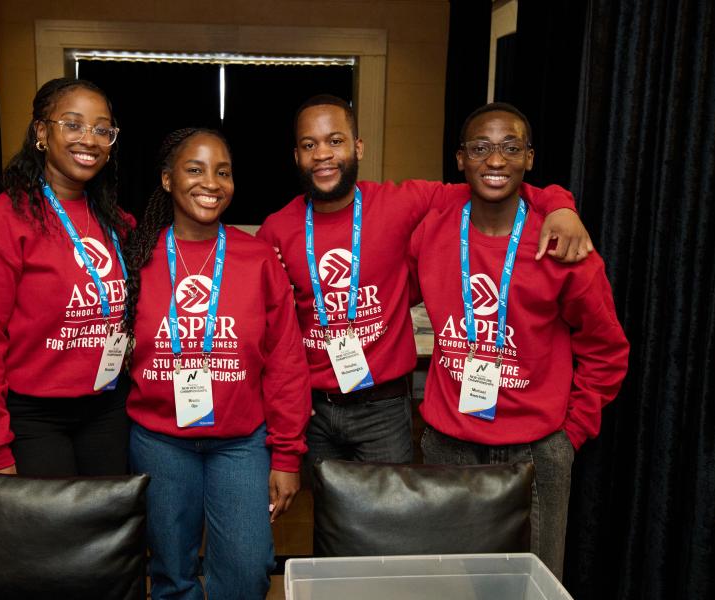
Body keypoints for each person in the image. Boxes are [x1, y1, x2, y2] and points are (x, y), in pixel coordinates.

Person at [255, 94, 595, 467]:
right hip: (315, 409)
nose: (322, 154)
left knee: (393, 521)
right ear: (296, 156)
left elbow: (491, 180)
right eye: (309, 145)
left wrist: (559, 204)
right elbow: (270, 332)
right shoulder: (275, 230)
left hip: (382, 408)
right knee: (330, 522)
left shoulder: (400, 203)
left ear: (358, 147)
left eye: (335, 141)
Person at [409, 102, 629, 579]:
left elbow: (606, 349)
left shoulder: (562, 245)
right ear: (460, 159)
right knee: (450, 583)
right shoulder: (433, 230)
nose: (495, 160)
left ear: (529, 159)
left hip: (536, 451)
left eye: (511, 148)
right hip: (449, 446)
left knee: (531, 584)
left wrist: (569, 435)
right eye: (481, 148)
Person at [124, 128, 310, 600]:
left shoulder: (258, 258)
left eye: (223, 172)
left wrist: (286, 453)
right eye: (195, 169)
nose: (211, 182)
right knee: (170, 574)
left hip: (240, 445)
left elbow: (286, 362)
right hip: (160, 442)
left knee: (248, 572)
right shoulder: (137, 255)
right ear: (167, 180)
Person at [0, 77, 133, 476]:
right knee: (51, 537)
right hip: (33, 419)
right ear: (42, 132)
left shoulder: (117, 222)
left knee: (107, 535)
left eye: (103, 129)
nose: (90, 139)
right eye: (74, 124)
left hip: (108, 410)